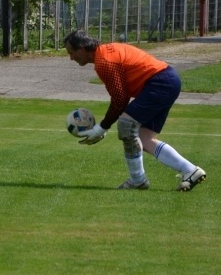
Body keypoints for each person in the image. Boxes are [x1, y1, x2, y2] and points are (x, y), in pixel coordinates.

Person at [63, 30, 206, 191]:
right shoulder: (105, 53)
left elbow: (120, 99)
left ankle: (137, 180)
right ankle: (190, 170)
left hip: (160, 82)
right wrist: (104, 126)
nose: (71, 58)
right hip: (167, 79)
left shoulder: (104, 61)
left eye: (72, 53)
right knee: (145, 139)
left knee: (126, 125)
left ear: (82, 49)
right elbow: (121, 99)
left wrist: (101, 127)